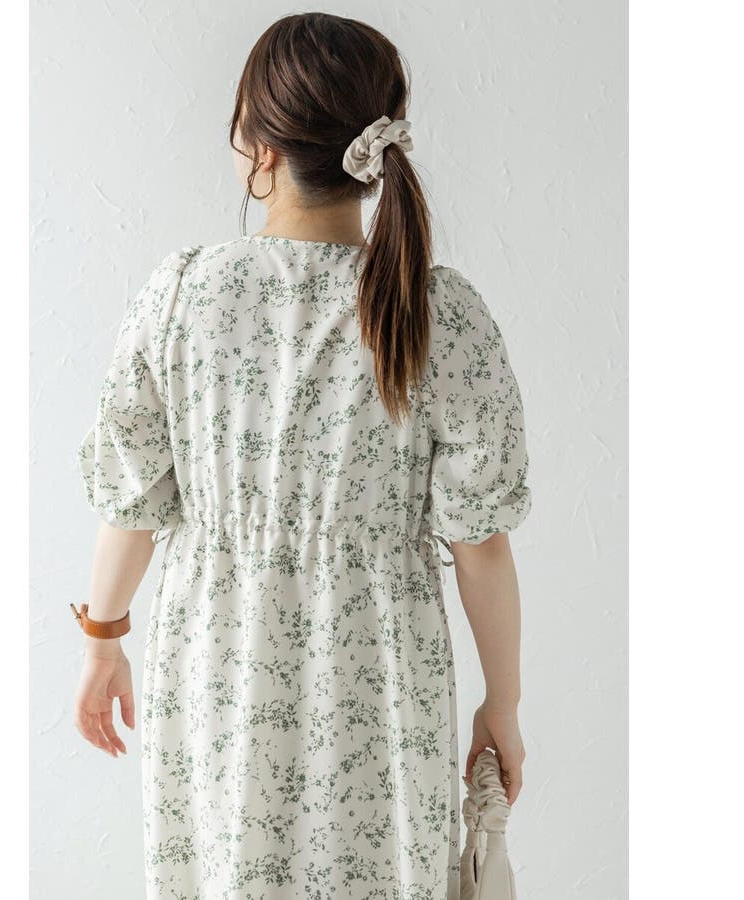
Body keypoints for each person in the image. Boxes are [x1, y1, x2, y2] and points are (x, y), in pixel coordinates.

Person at [72, 12, 532, 899]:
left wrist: (102, 641)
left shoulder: (183, 294)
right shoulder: (438, 311)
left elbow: (131, 501)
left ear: (258, 141)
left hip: (216, 661)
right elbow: (481, 543)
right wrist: (501, 707)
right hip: (383, 675)